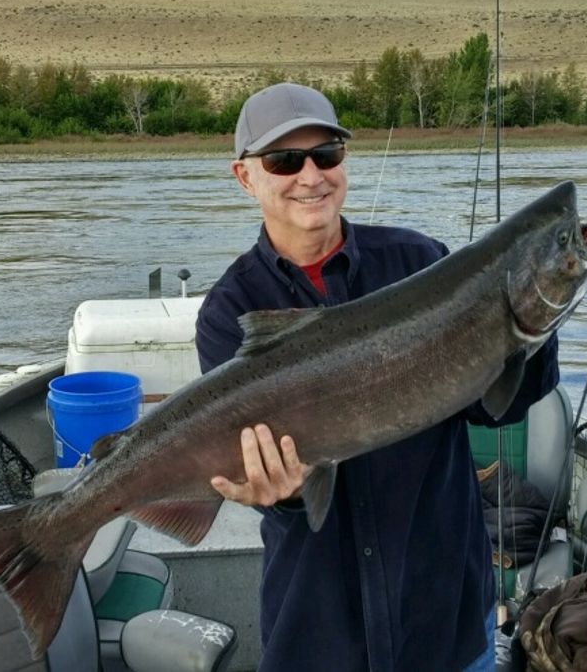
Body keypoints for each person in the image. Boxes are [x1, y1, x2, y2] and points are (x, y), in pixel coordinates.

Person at [195, 82, 559, 672]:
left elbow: (501, 407)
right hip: (319, 636)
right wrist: (280, 496)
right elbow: (262, 477)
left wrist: (528, 321)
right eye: (285, 160)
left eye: (327, 154)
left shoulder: (421, 263)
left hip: (443, 620)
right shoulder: (227, 312)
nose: (310, 175)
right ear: (244, 176)